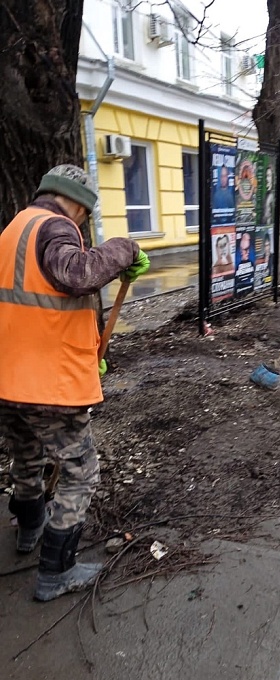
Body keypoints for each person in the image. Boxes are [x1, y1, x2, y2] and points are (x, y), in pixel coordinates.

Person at [0, 164, 150, 601]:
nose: (84, 222)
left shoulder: (13, 229)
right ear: (80, 205)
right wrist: (123, 249)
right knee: (81, 473)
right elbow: (77, 275)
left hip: (9, 378)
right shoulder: (56, 228)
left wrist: (85, 349)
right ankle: (55, 572)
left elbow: (33, 307)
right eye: (87, 213)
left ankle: (29, 530)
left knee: (26, 455)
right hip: (46, 384)